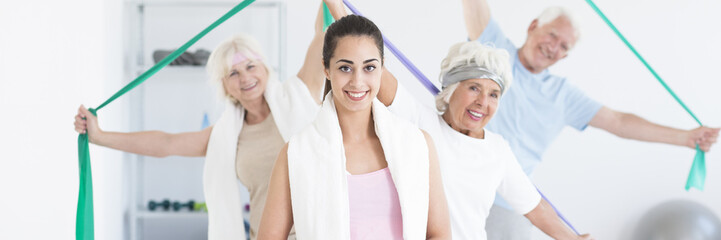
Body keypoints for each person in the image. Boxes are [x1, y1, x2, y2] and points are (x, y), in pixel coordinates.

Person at [460, 0, 720, 238]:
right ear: (533, 26)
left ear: (565, 56)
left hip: (509, 203)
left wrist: (686, 138)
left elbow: (619, 122)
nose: (554, 47)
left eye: (564, 46)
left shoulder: (563, 95)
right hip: (459, 180)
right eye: (552, 35)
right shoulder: (493, 50)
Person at [73, 5, 329, 240]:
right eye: (234, 73)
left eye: (251, 66)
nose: (245, 78)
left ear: (264, 68)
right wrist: (100, 136)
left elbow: (322, 33)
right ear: (225, 85)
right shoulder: (225, 135)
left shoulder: (300, 93)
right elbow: (166, 143)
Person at [256, 14, 451, 240]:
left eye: (369, 67)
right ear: (326, 69)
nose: (357, 81)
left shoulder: (418, 145)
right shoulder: (296, 154)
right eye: (345, 68)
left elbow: (439, 234)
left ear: (382, 68)